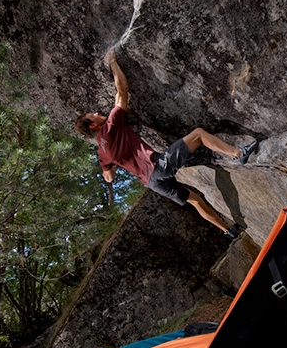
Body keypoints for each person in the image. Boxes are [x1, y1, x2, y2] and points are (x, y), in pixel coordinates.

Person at [75, 47, 257, 239]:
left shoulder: (102, 153)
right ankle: (238, 154)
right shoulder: (110, 126)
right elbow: (122, 91)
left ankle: (227, 230)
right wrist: (112, 62)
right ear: (93, 125)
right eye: (93, 115)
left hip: (151, 182)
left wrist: (115, 161)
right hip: (157, 166)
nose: (97, 113)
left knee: (195, 201)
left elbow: (109, 178)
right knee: (198, 134)